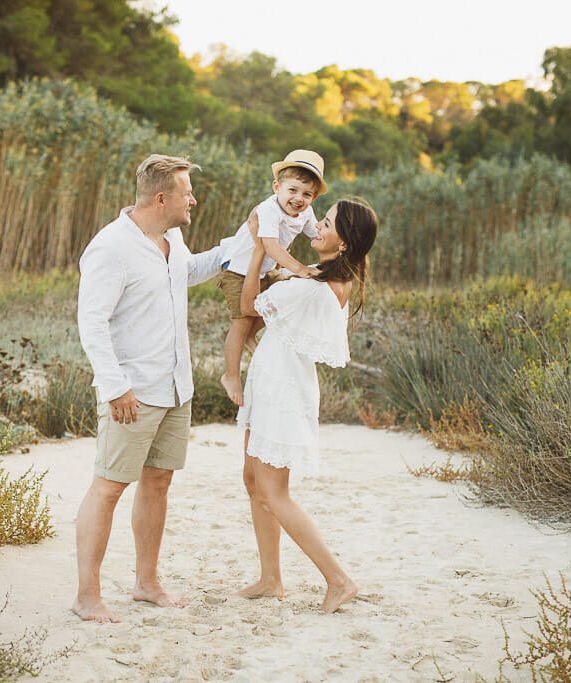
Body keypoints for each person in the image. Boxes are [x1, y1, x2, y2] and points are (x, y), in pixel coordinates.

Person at [75, 154, 225, 623]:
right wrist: (115, 387)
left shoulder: (172, 238)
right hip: (132, 393)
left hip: (176, 387)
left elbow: (188, 272)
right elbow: (91, 322)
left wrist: (241, 242)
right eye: (186, 192)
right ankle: (87, 595)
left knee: (158, 483)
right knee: (109, 488)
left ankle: (146, 582)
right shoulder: (110, 248)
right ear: (162, 198)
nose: (193, 200)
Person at [234, 197, 378, 613]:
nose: (316, 228)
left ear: (345, 243)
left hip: (283, 389)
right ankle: (270, 578)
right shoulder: (322, 279)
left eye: (327, 224)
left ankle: (338, 579)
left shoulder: (312, 286)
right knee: (252, 479)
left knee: (274, 491)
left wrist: (262, 246)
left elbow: (247, 308)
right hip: (272, 381)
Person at [216, 150, 328, 407]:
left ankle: (250, 339)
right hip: (238, 270)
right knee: (242, 320)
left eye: (307, 194)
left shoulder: (306, 213)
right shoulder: (268, 210)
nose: (299, 199)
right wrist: (300, 269)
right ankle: (230, 375)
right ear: (277, 187)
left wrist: (336, 241)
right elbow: (271, 246)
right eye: (293, 190)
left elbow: (315, 236)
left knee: (276, 305)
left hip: (265, 270)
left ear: (314, 197)